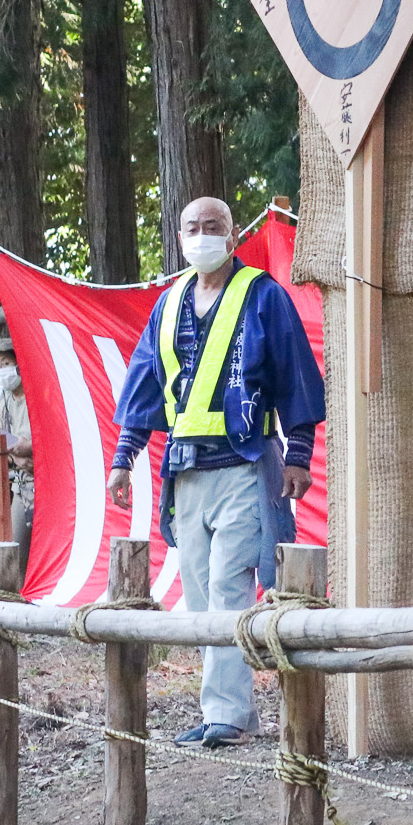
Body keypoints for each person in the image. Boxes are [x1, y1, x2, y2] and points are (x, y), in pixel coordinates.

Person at [108, 197, 323, 748]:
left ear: (231, 237)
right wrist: (123, 457)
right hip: (185, 472)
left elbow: (293, 369)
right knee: (201, 602)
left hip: (245, 466)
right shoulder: (169, 303)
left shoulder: (262, 296)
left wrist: (298, 453)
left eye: (214, 227)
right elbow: (145, 381)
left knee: (229, 590)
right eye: (192, 228)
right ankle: (238, 713)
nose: (202, 236)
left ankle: (224, 716)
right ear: (179, 236)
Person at [0, 334, 34, 558]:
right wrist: (17, 455)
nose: (3, 371)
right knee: (16, 550)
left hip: (46, 484)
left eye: (7, 364)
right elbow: (0, 437)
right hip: (20, 484)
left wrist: (28, 447)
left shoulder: (37, 395)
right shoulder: (4, 401)